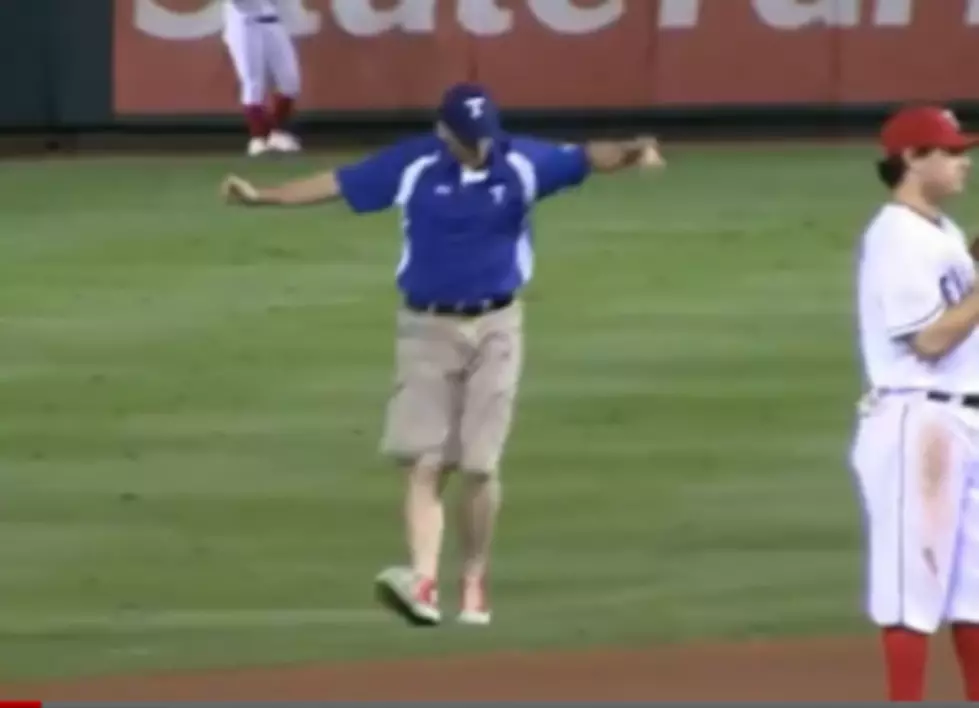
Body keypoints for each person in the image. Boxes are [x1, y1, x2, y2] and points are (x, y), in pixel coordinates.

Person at [220, 82, 665, 627]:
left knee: (480, 465)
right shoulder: (414, 165)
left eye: (486, 136)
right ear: (444, 132)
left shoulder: (521, 161)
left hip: (498, 324)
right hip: (426, 327)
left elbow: (584, 157)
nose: (482, 148)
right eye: (471, 138)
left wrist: (636, 148)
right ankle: (423, 583)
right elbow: (337, 183)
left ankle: (474, 578)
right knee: (425, 461)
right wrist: (262, 196)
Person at [850, 104, 979, 701]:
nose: (963, 162)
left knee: (973, 592)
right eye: (949, 152)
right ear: (911, 159)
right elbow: (927, 339)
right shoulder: (894, 235)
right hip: (917, 421)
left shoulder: (942, 233)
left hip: (962, 417)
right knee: (912, 590)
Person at [222, 0, 302, 156]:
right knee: (253, 81)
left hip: (273, 21)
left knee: (291, 80)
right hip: (245, 23)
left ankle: (277, 133)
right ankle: (257, 138)